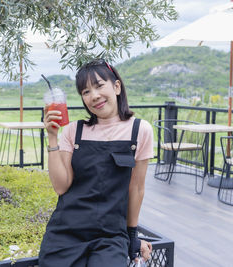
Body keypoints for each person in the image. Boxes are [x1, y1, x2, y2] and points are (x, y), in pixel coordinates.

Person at [39, 59, 154, 267]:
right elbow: (61, 186)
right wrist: (52, 137)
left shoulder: (140, 130)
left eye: (99, 86)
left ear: (116, 87)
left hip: (110, 237)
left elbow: (136, 188)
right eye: (85, 92)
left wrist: (132, 235)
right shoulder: (75, 130)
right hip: (66, 232)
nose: (94, 96)